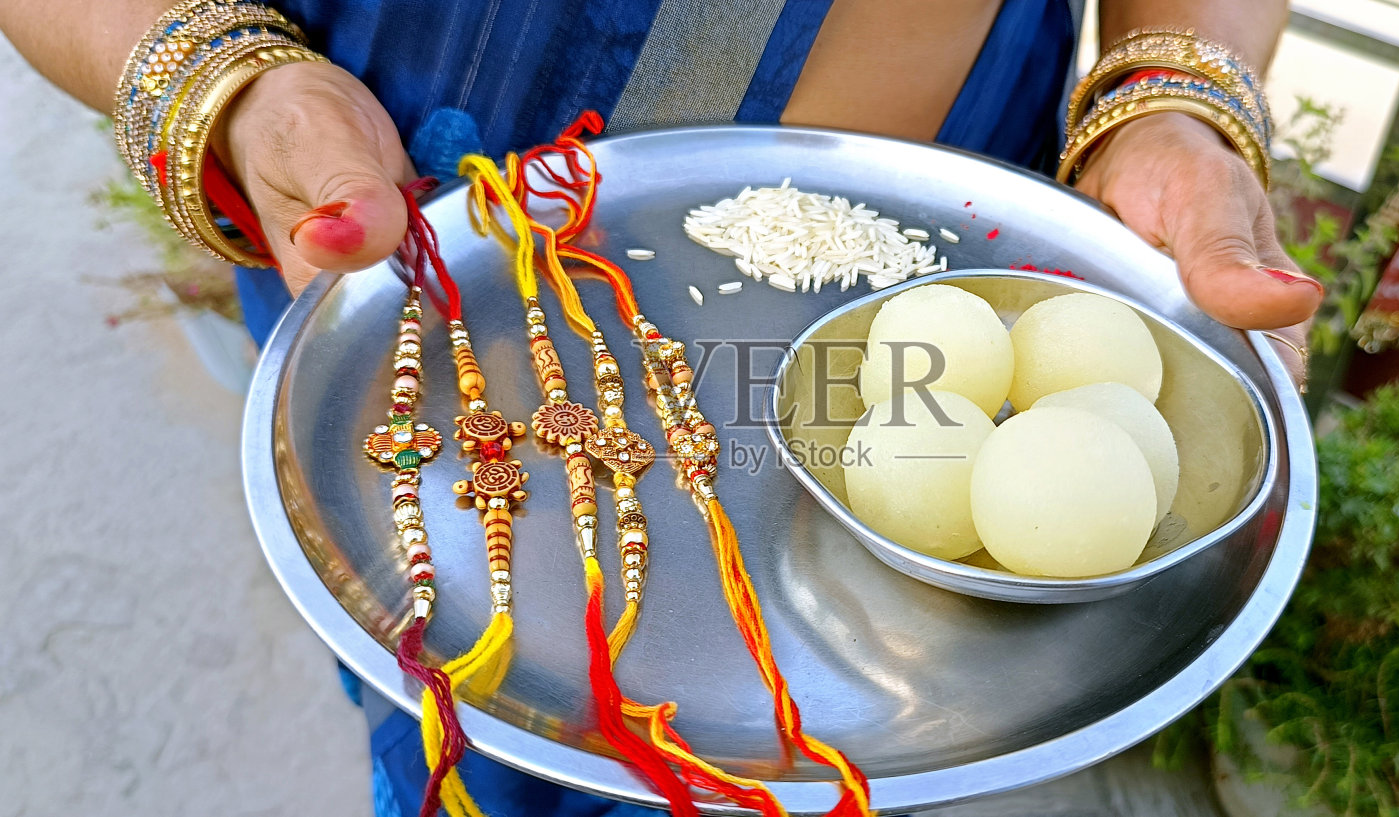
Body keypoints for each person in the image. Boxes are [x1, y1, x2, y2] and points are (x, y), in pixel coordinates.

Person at [0, 1, 1320, 814]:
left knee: (883, 726)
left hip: (946, 230)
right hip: (441, 244)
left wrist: (1176, 97)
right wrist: (216, 79)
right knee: (475, 727)